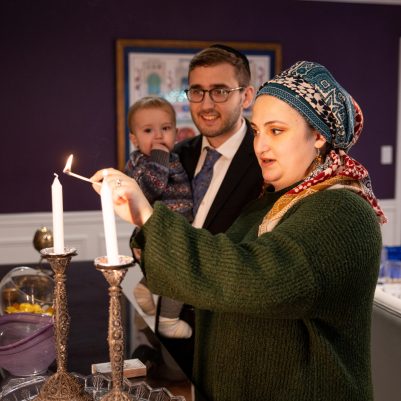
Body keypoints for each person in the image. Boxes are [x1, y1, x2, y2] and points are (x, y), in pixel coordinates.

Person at [92, 61, 386, 401]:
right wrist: (144, 220)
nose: (259, 146)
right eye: (258, 131)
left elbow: (258, 281)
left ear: (318, 135)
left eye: (276, 131)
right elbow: (216, 261)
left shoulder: (344, 211)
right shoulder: (271, 202)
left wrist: (149, 215)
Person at [165, 44, 264, 376]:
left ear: (246, 96)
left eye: (220, 91)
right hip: (170, 331)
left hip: (234, 339)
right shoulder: (176, 155)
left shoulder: (268, 162)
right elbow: (156, 227)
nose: (206, 104)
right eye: (197, 91)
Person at [125, 95, 193, 339]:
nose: (158, 136)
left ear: (175, 131)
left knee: (167, 270)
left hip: (177, 228)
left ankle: (145, 287)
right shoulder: (140, 163)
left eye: (165, 129)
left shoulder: (174, 157)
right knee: (179, 273)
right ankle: (168, 320)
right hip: (161, 230)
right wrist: (159, 157)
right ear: (134, 139)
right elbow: (151, 188)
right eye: (148, 130)